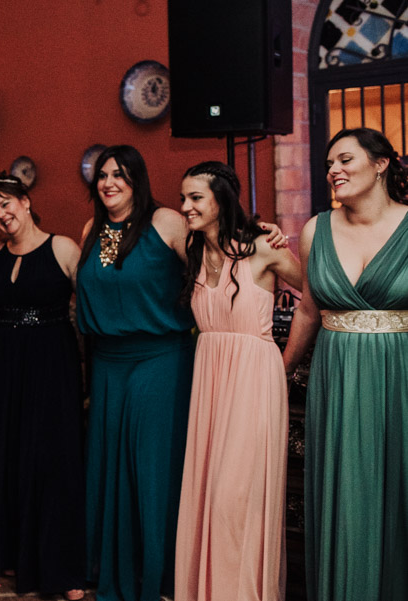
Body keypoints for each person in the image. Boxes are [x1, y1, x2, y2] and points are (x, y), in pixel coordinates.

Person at [76, 145, 287, 601]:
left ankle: (162, 579)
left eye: (121, 174)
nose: (110, 182)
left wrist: (259, 230)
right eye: (103, 175)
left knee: (153, 471)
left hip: (159, 360)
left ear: (139, 180)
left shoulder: (169, 221)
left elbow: (219, 246)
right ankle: (119, 575)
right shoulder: (91, 229)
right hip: (108, 365)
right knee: (111, 471)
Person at [281, 127, 408, 601]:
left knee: (398, 489)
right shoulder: (317, 229)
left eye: (345, 160)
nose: (333, 169)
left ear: (380, 165)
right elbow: (310, 310)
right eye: (329, 162)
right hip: (336, 380)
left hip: (400, 376)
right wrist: (281, 370)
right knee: (346, 496)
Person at [174, 161, 301, 601]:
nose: (185, 207)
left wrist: (283, 362)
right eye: (184, 198)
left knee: (235, 498)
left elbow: (318, 297)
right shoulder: (193, 250)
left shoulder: (264, 248)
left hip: (253, 379)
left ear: (220, 201)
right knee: (209, 493)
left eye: (195, 198)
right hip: (209, 378)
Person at [0, 172, 86, 599]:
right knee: (9, 457)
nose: (0, 215)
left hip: (52, 364)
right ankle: (15, 555)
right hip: (5, 367)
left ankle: (64, 571)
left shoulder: (62, 247)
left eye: (5, 204)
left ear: (25, 201)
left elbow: (88, 310)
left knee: (54, 461)